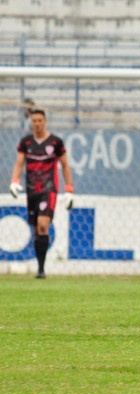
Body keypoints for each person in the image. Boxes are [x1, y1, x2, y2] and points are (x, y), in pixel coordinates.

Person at [9, 109, 74, 279]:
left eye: (40, 120)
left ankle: (41, 270)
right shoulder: (26, 142)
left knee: (43, 224)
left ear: (45, 121)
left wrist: (69, 189)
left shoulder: (56, 142)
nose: (37, 123)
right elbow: (19, 163)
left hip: (48, 189)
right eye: (34, 120)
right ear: (31, 122)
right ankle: (40, 266)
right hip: (31, 190)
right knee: (36, 229)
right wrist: (14, 182)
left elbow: (65, 165)